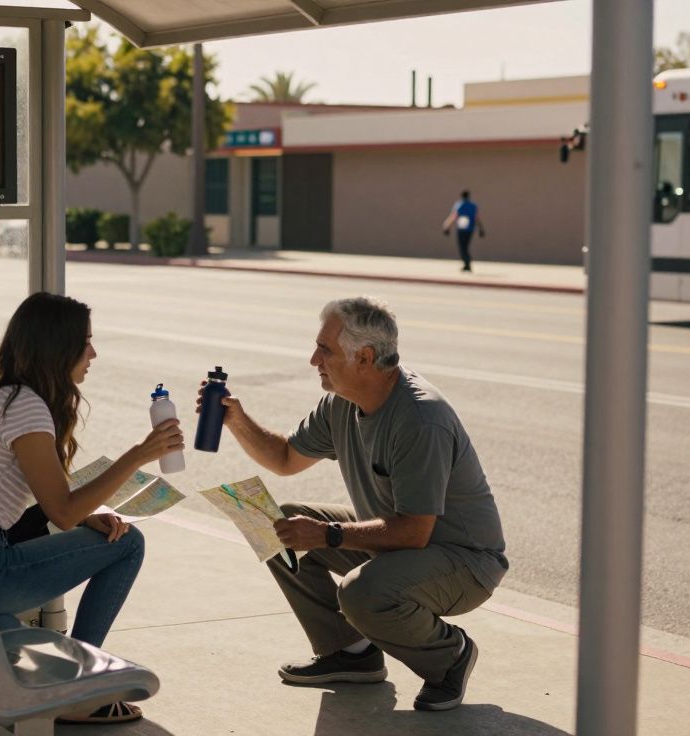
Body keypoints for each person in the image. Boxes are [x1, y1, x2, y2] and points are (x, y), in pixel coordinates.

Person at [198, 297, 507, 712]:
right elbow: (286, 459)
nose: (313, 359)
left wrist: (328, 535)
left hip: (463, 561)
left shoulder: (420, 418)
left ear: (363, 357)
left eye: (324, 349)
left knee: (362, 593)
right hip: (404, 541)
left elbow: (415, 533)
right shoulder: (342, 400)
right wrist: (235, 418)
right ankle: (353, 654)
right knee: (279, 525)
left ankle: (449, 656)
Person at [0, 291, 184, 725]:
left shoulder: (1, 396)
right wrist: (137, 456)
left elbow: (42, 494)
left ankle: (79, 678)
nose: (93, 353)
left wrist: (87, 513)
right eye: (84, 342)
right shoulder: (26, 407)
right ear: (57, 348)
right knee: (128, 544)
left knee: (105, 530)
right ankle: (81, 688)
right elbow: (62, 513)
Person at [441, 190, 485, 272]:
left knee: (462, 247)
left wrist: (446, 226)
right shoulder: (473, 206)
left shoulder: (459, 205)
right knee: (465, 246)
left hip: (462, 230)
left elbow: (454, 216)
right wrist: (481, 228)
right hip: (470, 229)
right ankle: (466, 263)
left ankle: (467, 261)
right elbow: (476, 218)